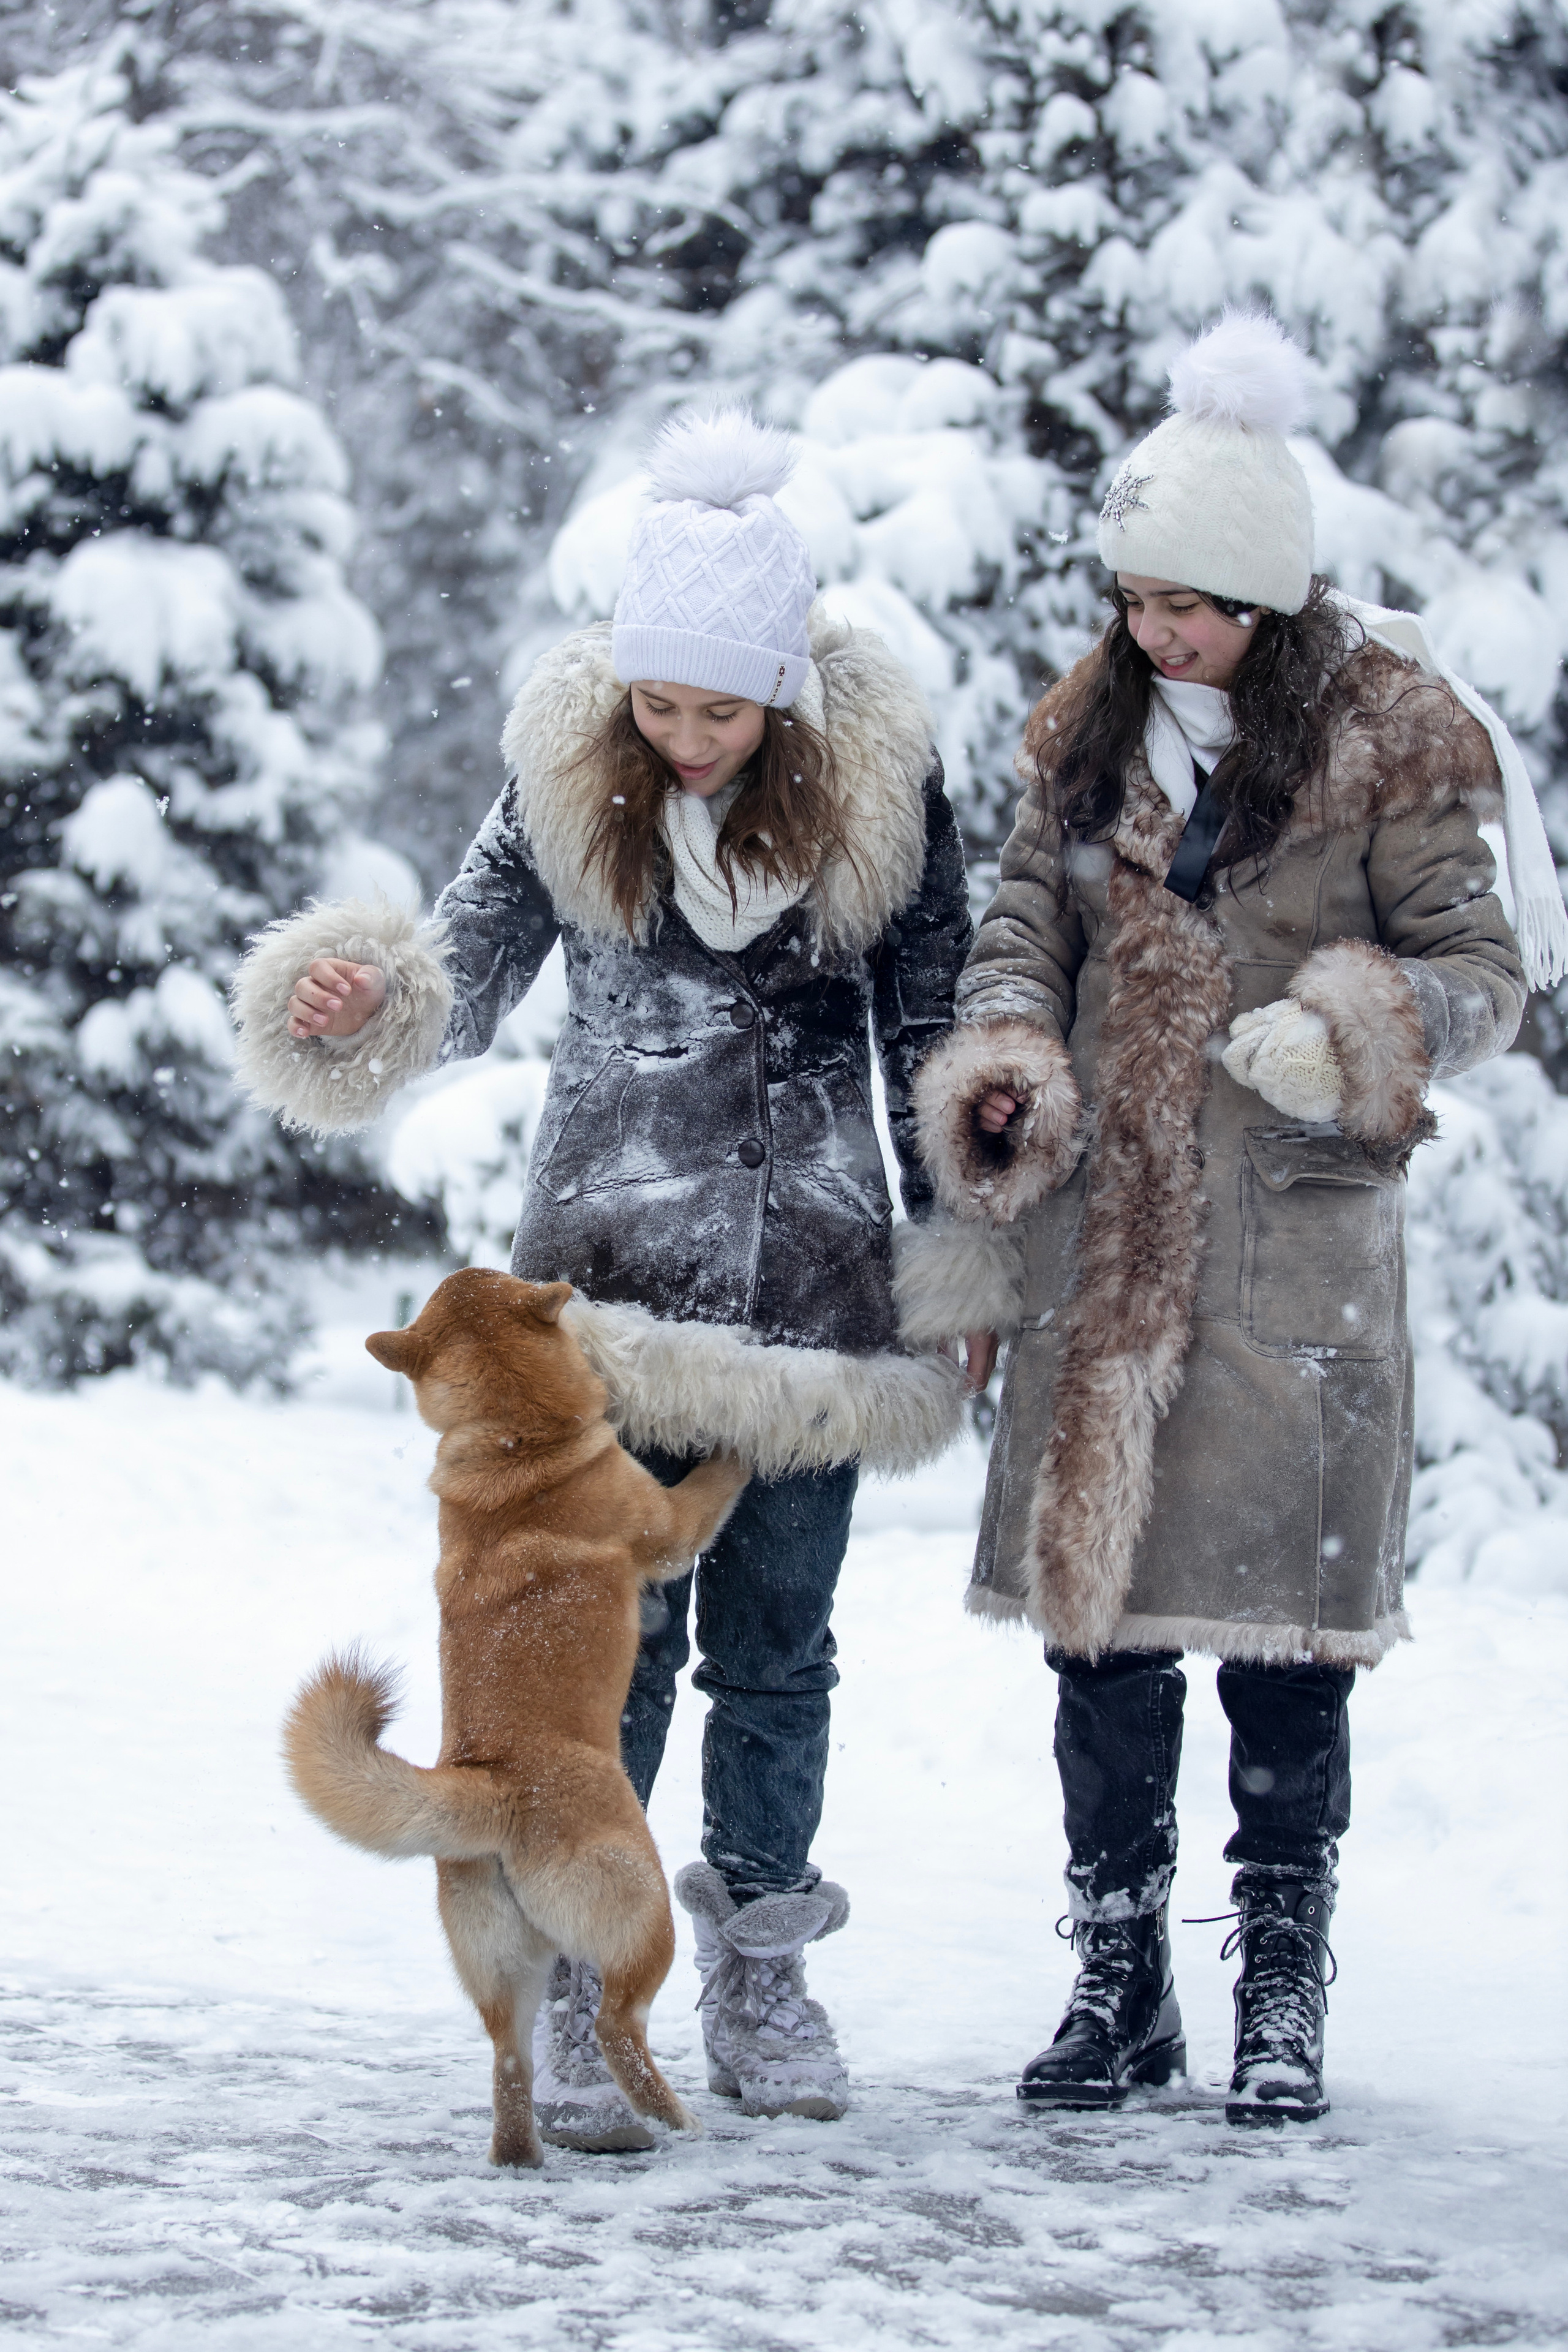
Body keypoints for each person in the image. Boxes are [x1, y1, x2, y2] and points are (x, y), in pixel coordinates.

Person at [231, 409, 984, 2149]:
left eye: (722, 712)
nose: (689, 740)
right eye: (664, 705)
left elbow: (934, 1026)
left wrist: (975, 1240)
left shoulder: (881, 799)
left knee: (781, 1654)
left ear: (784, 698)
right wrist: (364, 997)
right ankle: (579, 1968)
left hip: (813, 1298)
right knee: (603, 1662)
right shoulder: (571, 779)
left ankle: (762, 1962)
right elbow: (465, 961)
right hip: (606, 1306)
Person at [913, 311, 1559, 2125]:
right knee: (1099, 1642)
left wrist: (1350, 1028)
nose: (1155, 628)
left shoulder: (1394, 745)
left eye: (1189, 601)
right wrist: (1008, 1054)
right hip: (1102, 1247)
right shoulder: (1087, 733)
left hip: (1295, 1248)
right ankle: (1118, 1986)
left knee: (1285, 1656)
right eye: (1137, 593)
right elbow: (1022, 928)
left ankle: (1282, 1995)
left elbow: (1486, 974)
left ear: (1267, 599)